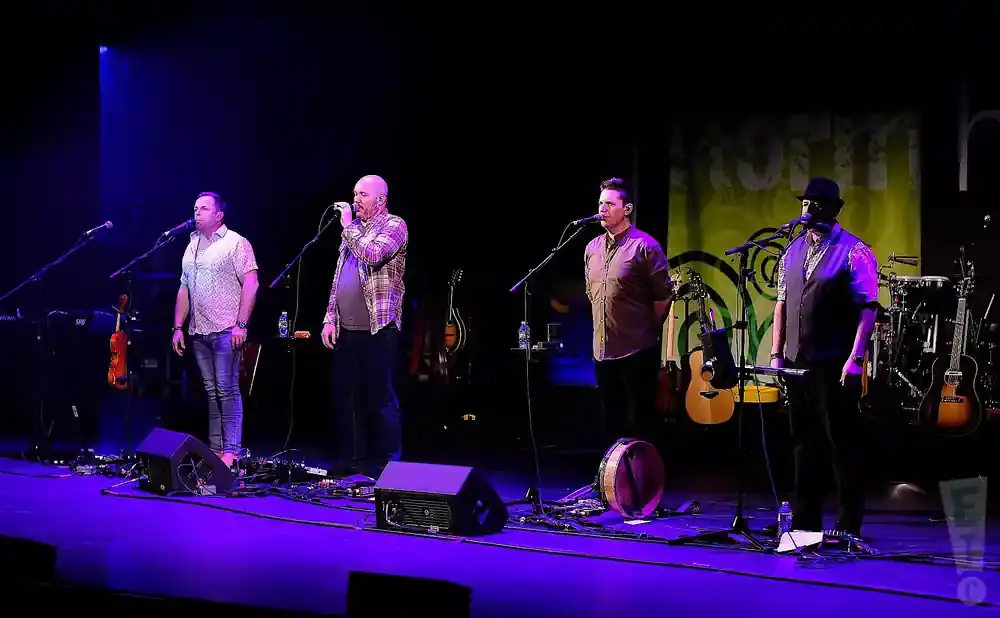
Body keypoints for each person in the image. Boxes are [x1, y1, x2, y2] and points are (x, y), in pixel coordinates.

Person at [770, 177, 879, 537]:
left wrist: (856, 358)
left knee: (842, 444)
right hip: (797, 362)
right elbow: (782, 304)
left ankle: (849, 524)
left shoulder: (855, 251)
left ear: (833, 210)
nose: (808, 209)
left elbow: (867, 309)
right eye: (804, 203)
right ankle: (805, 522)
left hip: (834, 362)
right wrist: (776, 354)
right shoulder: (793, 251)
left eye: (816, 204)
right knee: (803, 442)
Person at [320, 175, 407, 477]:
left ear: (380, 200)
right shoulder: (352, 232)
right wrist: (330, 318)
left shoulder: (395, 225)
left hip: (379, 327)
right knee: (347, 397)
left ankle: (386, 466)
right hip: (347, 329)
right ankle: (354, 461)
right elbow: (338, 279)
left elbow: (372, 255)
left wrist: (347, 228)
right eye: (354, 193)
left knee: (381, 399)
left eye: (363, 194)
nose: (355, 199)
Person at [171, 192, 259, 469]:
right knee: (211, 391)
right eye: (195, 208)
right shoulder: (192, 245)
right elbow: (184, 288)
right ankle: (216, 450)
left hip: (225, 329)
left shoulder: (236, 243)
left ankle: (231, 453)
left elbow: (251, 284)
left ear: (219, 215)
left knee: (227, 389)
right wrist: (178, 327)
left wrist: (241, 324)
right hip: (199, 330)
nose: (197, 213)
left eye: (204, 209)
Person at [584, 177, 674, 447]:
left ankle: (642, 482)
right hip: (602, 350)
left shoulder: (645, 246)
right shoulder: (592, 249)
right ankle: (613, 482)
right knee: (611, 424)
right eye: (601, 203)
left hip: (636, 350)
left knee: (640, 424)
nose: (603, 209)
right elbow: (592, 294)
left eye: (610, 204)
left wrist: (646, 330)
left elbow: (663, 296)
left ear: (627, 209)